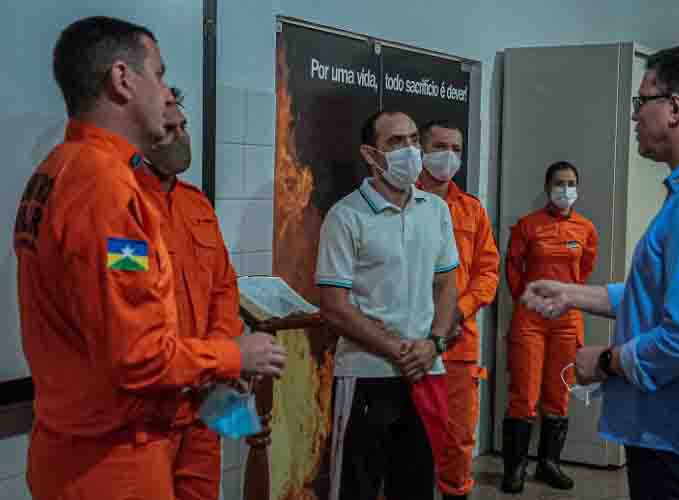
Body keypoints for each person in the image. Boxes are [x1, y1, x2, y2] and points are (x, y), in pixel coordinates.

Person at [15, 16, 285, 500]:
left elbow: (218, 288)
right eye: (158, 74)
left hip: (162, 417)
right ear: (122, 79)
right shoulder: (106, 188)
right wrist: (235, 354)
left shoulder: (68, 170)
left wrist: (224, 372)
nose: (166, 95)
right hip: (112, 454)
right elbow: (137, 358)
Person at [521, 44, 679, 500]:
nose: (635, 117)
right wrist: (573, 295)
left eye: (641, 103)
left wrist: (605, 363)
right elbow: (664, 295)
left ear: (674, 109)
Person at [316, 110, 460, 500]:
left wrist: (434, 343)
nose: (410, 150)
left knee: (415, 486)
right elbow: (334, 306)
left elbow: (447, 284)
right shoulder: (345, 216)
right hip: (367, 374)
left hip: (425, 371)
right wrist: (396, 349)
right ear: (371, 154)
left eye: (414, 139)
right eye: (396, 142)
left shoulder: (436, 210)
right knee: (356, 487)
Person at [135, 87, 243, 499]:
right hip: (152, 404)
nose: (180, 137)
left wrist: (221, 359)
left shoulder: (197, 204)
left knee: (205, 489)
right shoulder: (122, 206)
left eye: (184, 127)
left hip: (209, 391)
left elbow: (223, 287)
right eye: (167, 129)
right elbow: (127, 305)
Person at [501, 160, 598, 493]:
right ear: (547, 187)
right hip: (530, 317)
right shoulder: (528, 226)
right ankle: (515, 469)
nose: (565, 189)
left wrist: (565, 296)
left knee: (558, 393)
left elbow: (584, 269)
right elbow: (512, 267)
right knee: (524, 394)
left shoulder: (585, 228)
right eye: (559, 183)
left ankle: (548, 464)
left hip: (567, 319)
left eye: (571, 183)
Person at [416, 120, 500, 500]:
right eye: (439, 146)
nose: (448, 155)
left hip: (458, 343)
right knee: (407, 438)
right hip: (407, 341)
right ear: (421, 149)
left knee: (458, 439)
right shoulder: (401, 203)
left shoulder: (472, 211)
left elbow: (488, 272)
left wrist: (459, 310)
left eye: (456, 148)